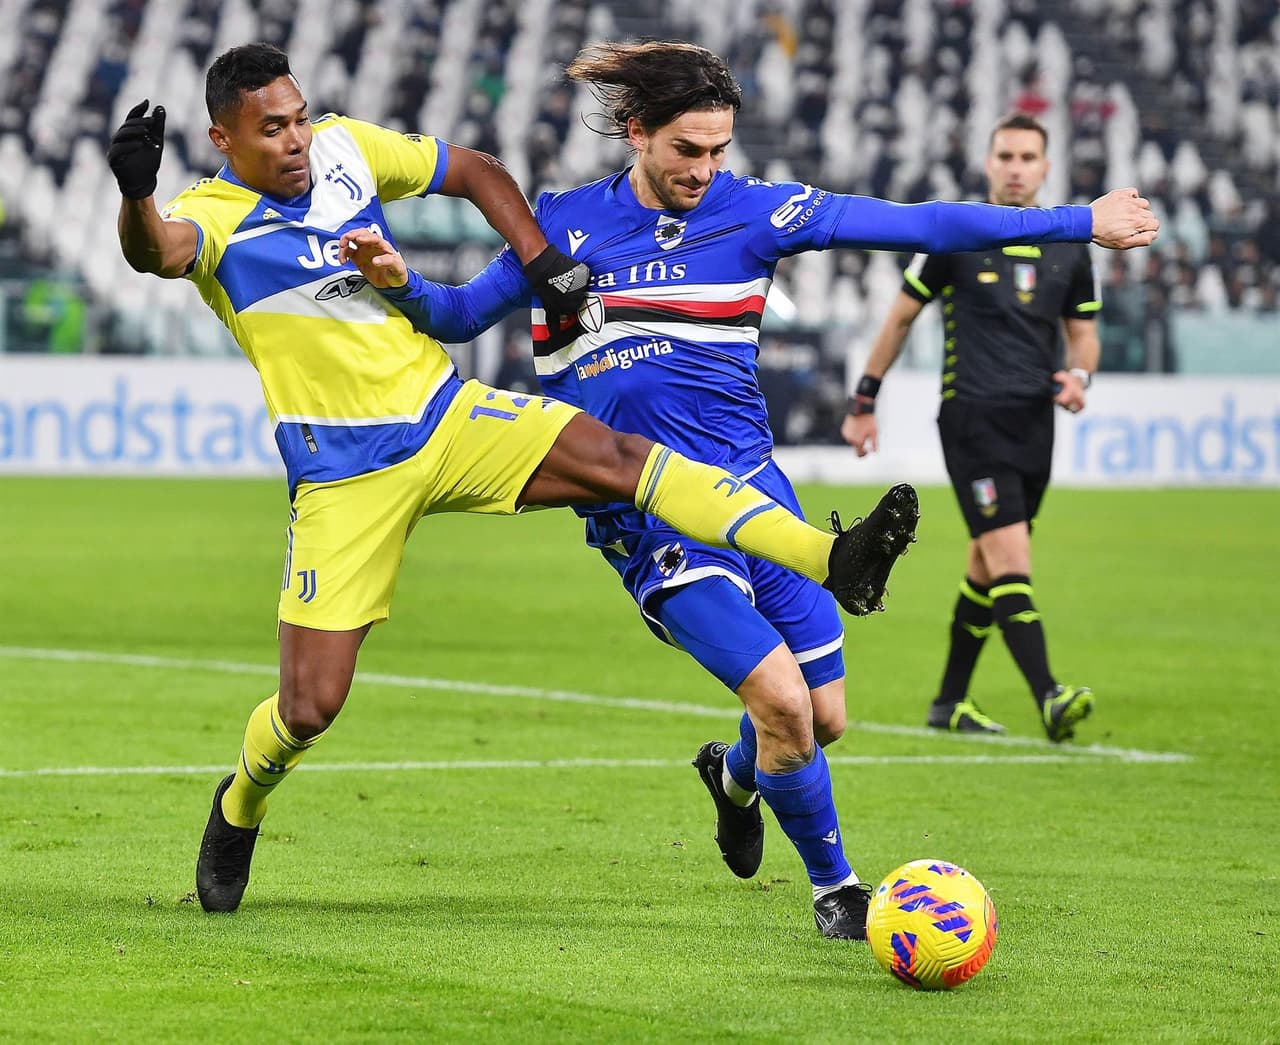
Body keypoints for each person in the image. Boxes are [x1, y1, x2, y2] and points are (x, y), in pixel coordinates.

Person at [334, 43, 1158, 939]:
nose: (706, 168)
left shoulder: (758, 212)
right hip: (648, 515)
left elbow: (921, 225)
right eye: (688, 149)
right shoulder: (563, 223)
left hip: (758, 496)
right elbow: (459, 316)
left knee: (825, 718)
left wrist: (1080, 221)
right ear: (638, 133)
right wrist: (399, 284)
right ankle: (837, 889)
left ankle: (732, 777)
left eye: (719, 149)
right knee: (782, 702)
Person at [108, 43, 916, 915]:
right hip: (344, 475)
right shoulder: (212, 218)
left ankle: (830, 556)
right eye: (273, 129)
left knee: (618, 457)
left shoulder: (346, 147)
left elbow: (479, 172)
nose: (298, 139)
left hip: (447, 417)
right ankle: (240, 805)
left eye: (300, 116)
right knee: (310, 705)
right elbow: (158, 251)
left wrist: (541, 260)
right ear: (223, 139)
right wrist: (135, 193)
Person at [843, 113, 1114, 742]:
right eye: (1005, 156)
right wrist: (865, 399)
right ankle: (1049, 695)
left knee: (987, 564)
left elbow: (1085, 338)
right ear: (989, 164)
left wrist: (1081, 377)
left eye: (1028, 158)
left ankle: (949, 703)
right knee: (1012, 557)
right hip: (971, 420)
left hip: (1034, 426)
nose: (1016, 168)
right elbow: (900, 319)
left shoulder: (1069, 250)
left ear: (1046, 168)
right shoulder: (958, 237)